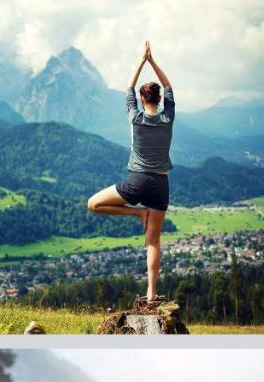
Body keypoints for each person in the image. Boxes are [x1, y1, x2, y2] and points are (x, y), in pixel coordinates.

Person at [87, 40, 174, 304]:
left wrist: (141, 61)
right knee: (153, 243)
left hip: (136, 182)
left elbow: (128, 87)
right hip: (160, 185)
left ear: (140, 98)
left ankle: (137, 212)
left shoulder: (134, 117)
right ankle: (151, 293)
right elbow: (170, 86)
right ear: (159, 99)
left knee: (93, 204)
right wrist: (153, 61)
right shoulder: (168, 117)